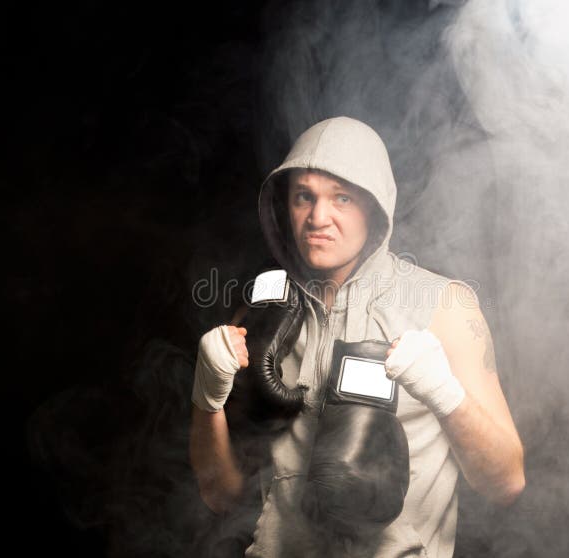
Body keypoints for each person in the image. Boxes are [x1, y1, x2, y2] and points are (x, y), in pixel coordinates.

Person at [189, 116, 525, 557]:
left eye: (341, 198)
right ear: (282, 205)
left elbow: (506, 482)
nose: (318, 217)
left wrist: (445, 394)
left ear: (374, 208)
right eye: (303, 197)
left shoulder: (445, 306)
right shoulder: (262, 310)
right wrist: (206, 396)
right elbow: (222, 494)